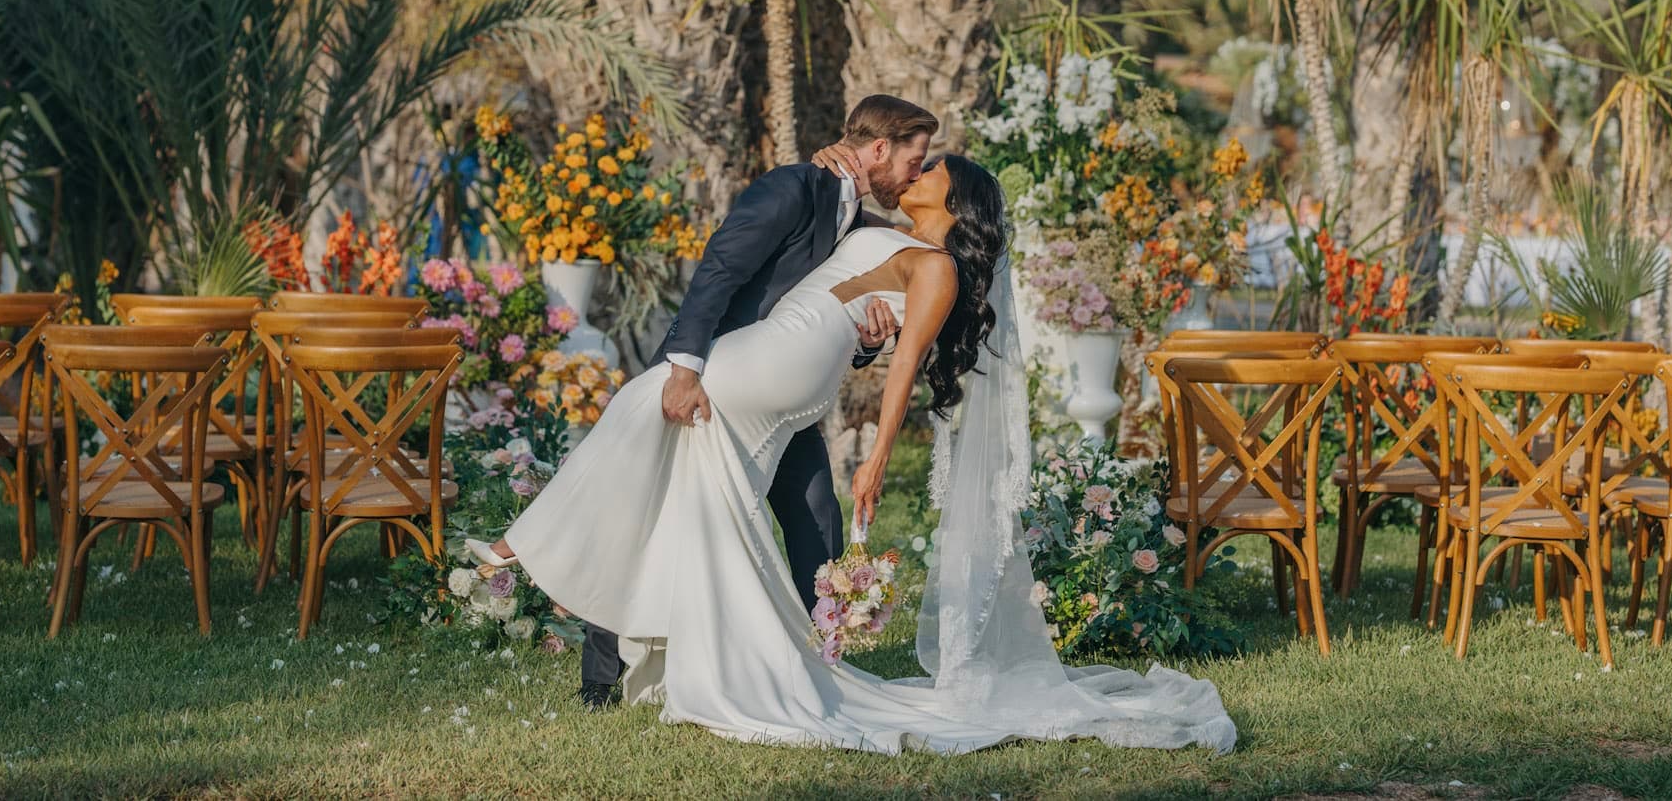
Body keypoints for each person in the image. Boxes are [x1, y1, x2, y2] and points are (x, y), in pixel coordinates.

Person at [468, 135, 1236, 753]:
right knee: (673, 477)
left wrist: (875, 458)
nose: (919, 168)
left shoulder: (936, 264)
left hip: (773, 371)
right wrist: (834, 163)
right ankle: (635, 622)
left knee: (642, 409)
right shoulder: (878, 226)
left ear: (954, 197)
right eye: (916, 154)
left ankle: (526, 550)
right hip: (776, 361)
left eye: (932, 166)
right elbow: (851, 290)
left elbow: (902, 366)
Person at [472, 94, 938, 706]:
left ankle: (820, 665)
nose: (915, 174)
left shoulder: (856, 221)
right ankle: (600, 678)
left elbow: (833, 310)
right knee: (645, 506)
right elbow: (720, 268)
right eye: (914, 159)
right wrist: (685, 368)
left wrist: (868, 343)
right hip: (721, 382)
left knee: (816, 517)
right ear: (880, 149)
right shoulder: (793, 188)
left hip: (779, 396)